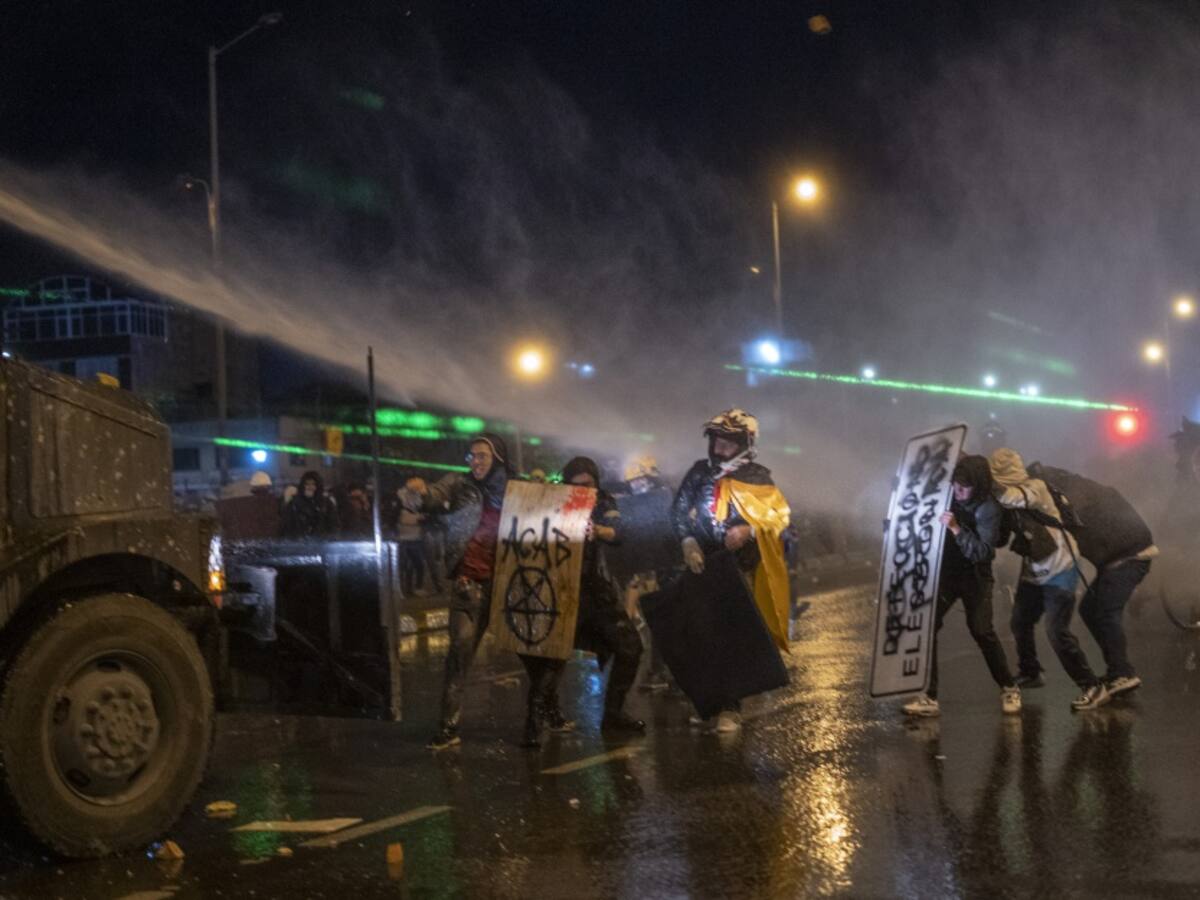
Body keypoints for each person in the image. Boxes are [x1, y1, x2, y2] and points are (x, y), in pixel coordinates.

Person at [671, 408, 791, 733]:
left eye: (729, 441)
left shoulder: (758, 477)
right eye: (717, 440)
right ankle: (710, 700)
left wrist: (749, 529)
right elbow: (680, 508)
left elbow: (778, 517)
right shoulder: (699, 473)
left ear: (745, 444)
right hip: (702, 564)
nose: (721, 447)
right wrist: (687, 540)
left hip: (741, 568)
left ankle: (730, 706)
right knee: (700, 635)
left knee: (731, 636)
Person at [519, 456, 646, 748]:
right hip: (559, 590)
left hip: (595, 592)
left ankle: (613, 714)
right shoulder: (552, 503)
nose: (583, 491)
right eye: (576, 486)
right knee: (552, 656)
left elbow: (618, 529)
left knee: (631, 647)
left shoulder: (603, 501)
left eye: (588, 485)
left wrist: (598, 531)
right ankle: (534, 722)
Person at [988, 448, 1108, 711]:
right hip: (1033, 568)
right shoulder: (1008, 499)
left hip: (1061, 567)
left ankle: (1091, 686)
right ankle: (1031, 672)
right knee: (1020, 622)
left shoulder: (1035, 487)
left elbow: (1012, 498)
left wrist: (988, 484)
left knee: (1056, 631)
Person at [902, 455, 1021, 718]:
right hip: (946, 573)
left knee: (981, 630)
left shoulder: (988, 509)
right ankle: (929, 696)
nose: (958, 492)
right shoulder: (949, 494)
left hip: (975, 575)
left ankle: (1009, 687)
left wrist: (956, 529)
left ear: (977, 486)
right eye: (955, 485)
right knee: (928, 626)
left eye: (964, 487)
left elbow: (983, 552)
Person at [1025, 461, 1156, 697]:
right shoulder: (1073, 488)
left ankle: (1123, 673)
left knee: (1106, 612)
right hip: (1120, 557)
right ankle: (1119, 669)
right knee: (1089, 609)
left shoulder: (1071, 498)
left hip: (1129, 556)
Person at [420, 435, 513, 750]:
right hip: (468, 586)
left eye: (483, 455)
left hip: (507, 587)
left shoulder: (516, 490)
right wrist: (419, 492)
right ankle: (448, 727)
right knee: (459, 652)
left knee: (535, 651)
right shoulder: (459, 484)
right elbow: (433, 495)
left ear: (497, 457)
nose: (476, 461)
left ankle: (547, 712)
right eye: (471, 456)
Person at [279, 470, 338, 539]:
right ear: (303, 486)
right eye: (307, 484)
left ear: (318, 486)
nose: (310, 487)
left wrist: (329, 539)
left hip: (321, 544)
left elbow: (334, 524)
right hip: (300, 545)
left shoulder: (326, 503)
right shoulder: (294, 503)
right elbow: (287, 525)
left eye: (313, 484)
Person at [396, 477, 429, 596]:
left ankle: (412, 589)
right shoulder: (401, 500)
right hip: (405, 539)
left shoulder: (416, 500)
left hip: (415, 537)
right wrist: (419, 519)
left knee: (415, 565)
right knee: (409, 566)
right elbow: (403, 519)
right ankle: (407, 590)